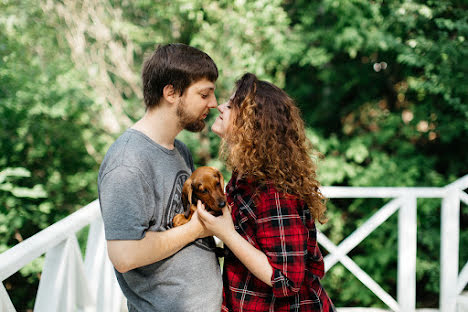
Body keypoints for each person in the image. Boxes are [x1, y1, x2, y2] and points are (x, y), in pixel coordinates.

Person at [97, 43, 222, 312]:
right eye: (204, 94)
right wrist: (195, 229)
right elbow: (124, 255)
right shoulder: (127, 163)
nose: (213, 104)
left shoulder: (180, 150)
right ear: (171, 92)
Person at [199, 73, 336, 311]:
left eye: (231, 105)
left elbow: (287, 280)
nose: (220, 106)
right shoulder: (244, 178)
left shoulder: (274, 192)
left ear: (252, 123)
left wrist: (227, 234)